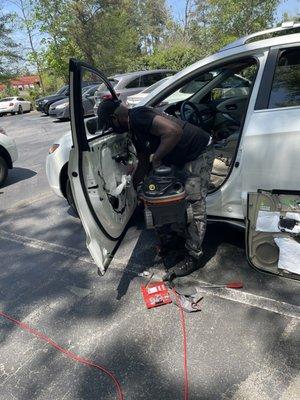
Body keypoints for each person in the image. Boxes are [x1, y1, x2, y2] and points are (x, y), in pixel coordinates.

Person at [97, 99, 215, 277]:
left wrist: (157, 158)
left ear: (115, 118)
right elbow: (144, 160)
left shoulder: (137, 116)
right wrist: (136, 188)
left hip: (197, 153)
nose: (113, 130)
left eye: (110, 125)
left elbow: (174, 132)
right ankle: (177, 243)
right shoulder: (134, 129)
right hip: (182, 158)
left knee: (194, 203)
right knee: (173, 199)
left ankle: (193, 256)